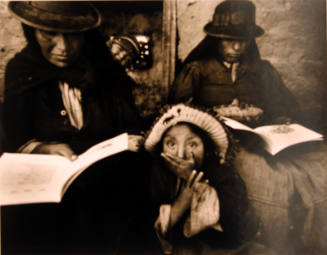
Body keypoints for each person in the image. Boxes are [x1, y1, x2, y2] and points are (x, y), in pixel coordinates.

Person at [168, 0, 327, 254]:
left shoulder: (261, 71)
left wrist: (281, 119)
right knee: (263, 174)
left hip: (262, 139)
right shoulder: (197, 70)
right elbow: (178, 114)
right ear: (215, 39)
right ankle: (268, 237)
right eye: (228, 39)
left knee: (318, 165)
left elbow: (283, 105)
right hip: (221, 145)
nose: (236, 46)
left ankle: (312, 238)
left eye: (242, 40)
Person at [2, 2, 150, 254]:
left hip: (105, 189)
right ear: (32, 31)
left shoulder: (105, 71)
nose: (63, 47)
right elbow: (14, 134)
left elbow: (129, 127)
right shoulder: (21, 72)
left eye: (73, 36)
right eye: (49, 34)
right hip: (46, 200)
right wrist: (40, 147)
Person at [144, 103, 264, 255]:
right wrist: (185, 198)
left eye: (192, 144)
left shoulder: (222, 175)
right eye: (171, 144)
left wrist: (196, 184)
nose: (181, 155)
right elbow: (155, 235)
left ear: (206, 148)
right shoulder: (156, 176)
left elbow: (237, 231)